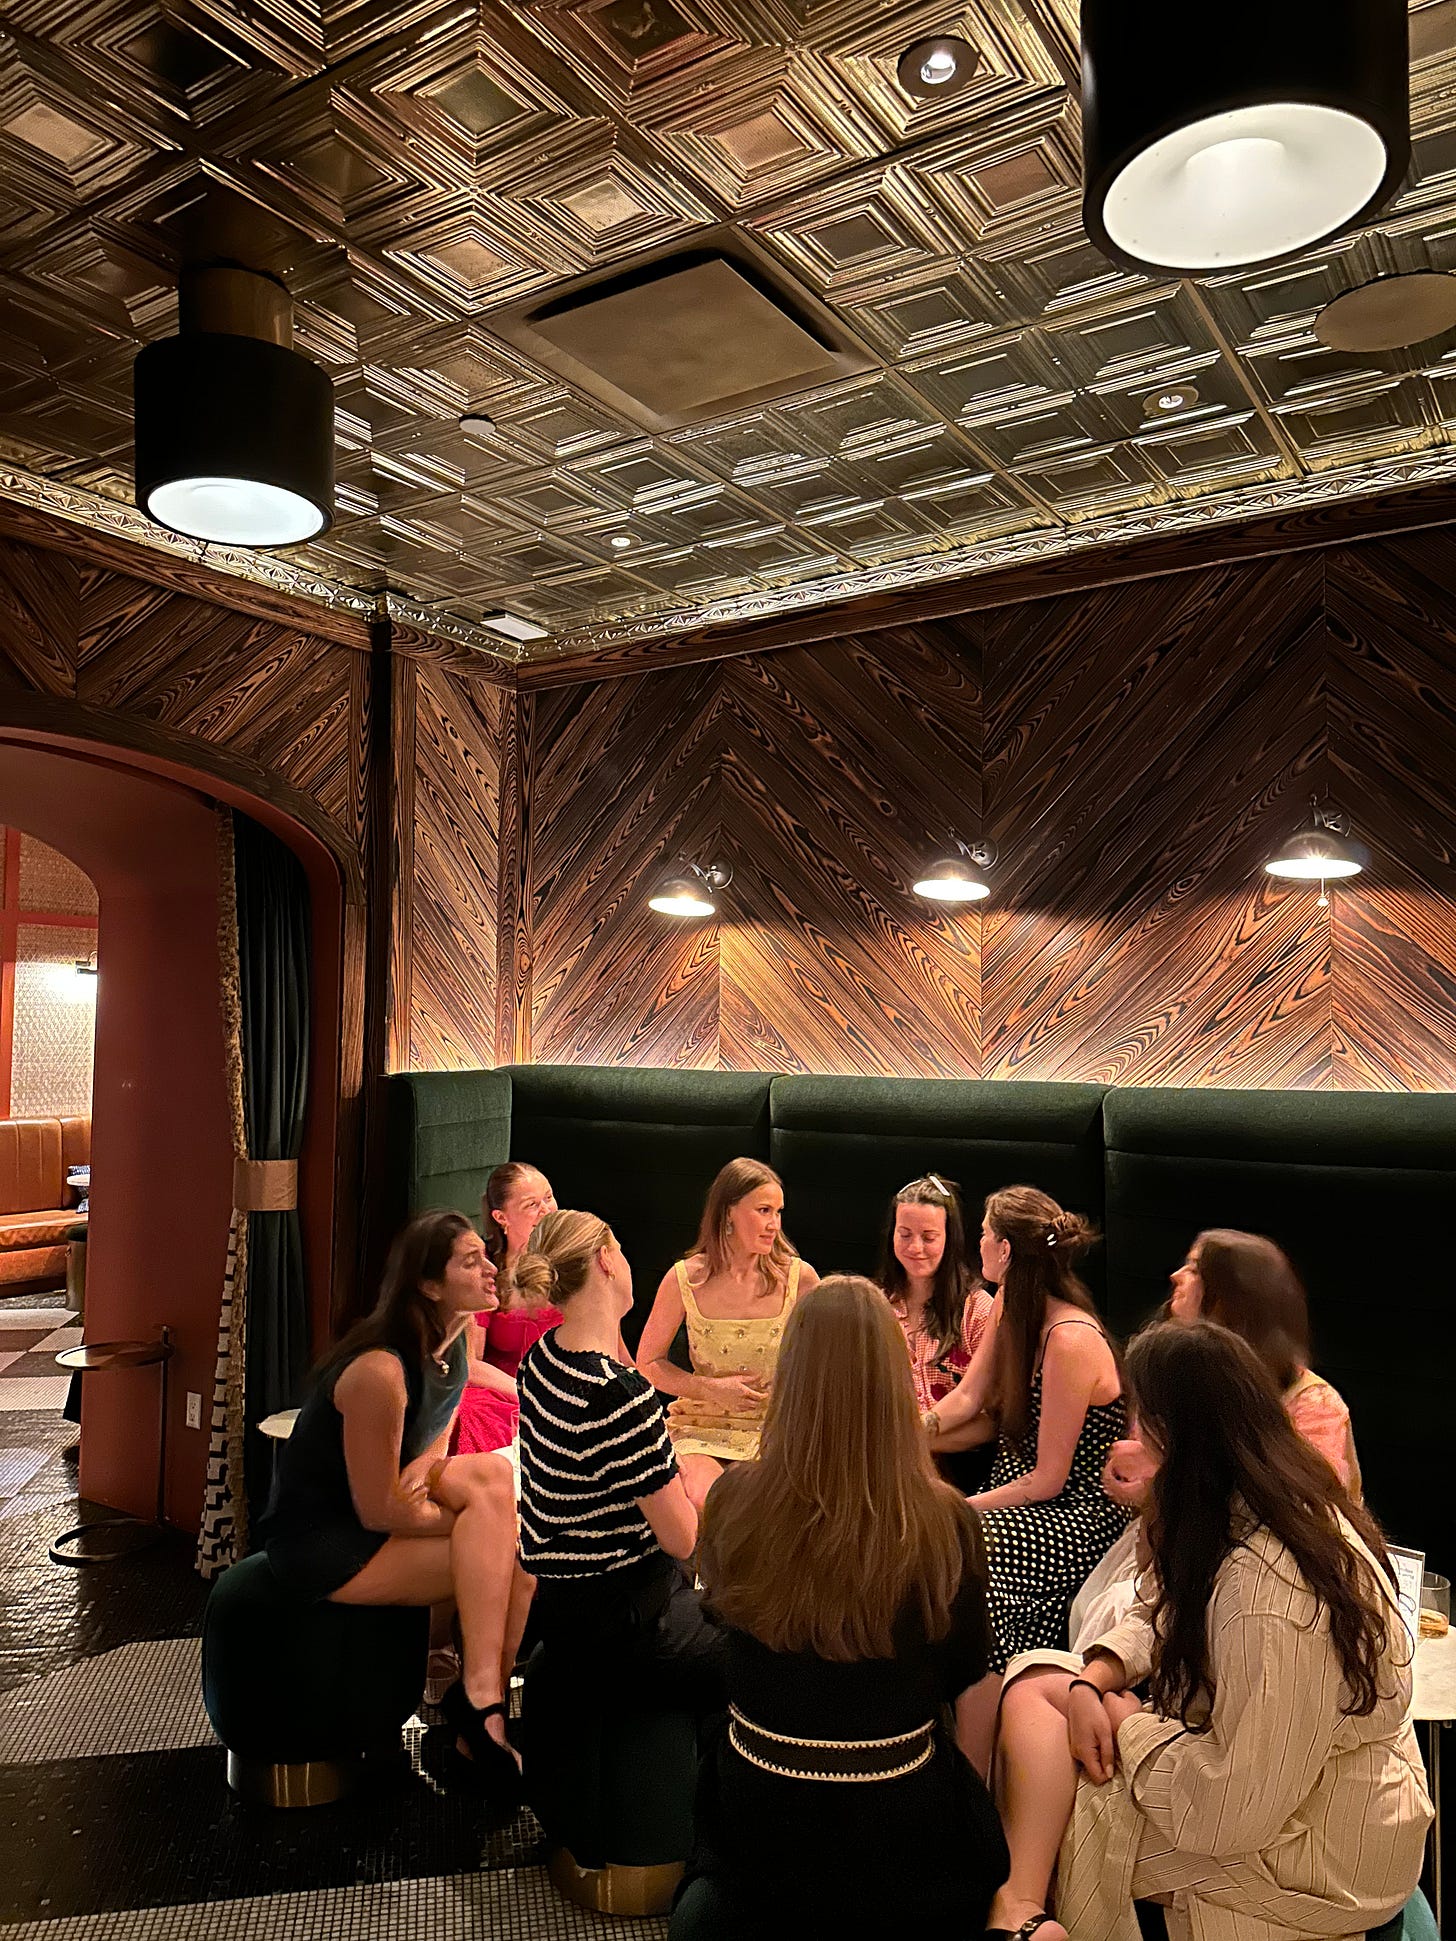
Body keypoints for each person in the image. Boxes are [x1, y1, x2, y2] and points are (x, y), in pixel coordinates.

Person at [991, 1321, 1431, 1941]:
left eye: (1141, 1425)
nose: (1131, 1440)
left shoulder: (1268, 1592)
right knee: (1036, 1679)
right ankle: (1020, 1908)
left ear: (1177, 1438)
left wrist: (1128, 1725)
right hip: (1285, 1790)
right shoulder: (1253, 1499)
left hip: (1322, 1852)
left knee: (1068, 1801)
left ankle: (1019, 1910)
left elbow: (1234, 1812)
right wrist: (1097, 1678)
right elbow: (1162, 1606)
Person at [672, 1276, 1009, 1941]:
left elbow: (723, 1641)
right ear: (894, 1383)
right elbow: (973, 1680)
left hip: (759, 1820)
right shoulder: (946, 1523)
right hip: (900, 1823)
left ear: (791, 1376)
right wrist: (968, 1800)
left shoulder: (734, 1501)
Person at [259, 1210, 532, 1801]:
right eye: (470, 1262)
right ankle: (481, 1708)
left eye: (485, 1257)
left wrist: (431, 1472)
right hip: (326, 1542)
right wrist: (473, 1525)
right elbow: (378, 1511)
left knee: (499, 1501)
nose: (490, 1269)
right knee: (506, 1547)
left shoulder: (452, 1348)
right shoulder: (380, 1371)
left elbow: (439, 1432)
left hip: (379, 1517)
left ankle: (481, 1701)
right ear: (428, 1285)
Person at [515, 1208, 723, 1706]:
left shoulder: (539, 1360)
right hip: (629, 1624)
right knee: (762, 1635)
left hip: (563, 1610)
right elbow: (681, 1538)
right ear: (606, 1260)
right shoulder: (619, 1396)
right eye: (623, 1251)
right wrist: (686, 1479)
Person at [926, 1186, 1127, 1679]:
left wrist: (958, 1509)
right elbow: (969, 1397)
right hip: (1017, 1489)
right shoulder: (1007, 1304)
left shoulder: (1070, 1339)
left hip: (1073, 1511)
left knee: (965, 1559)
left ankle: (993, 1690)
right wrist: (911, 1428)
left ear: (1005, 1249)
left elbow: (1048, 1479)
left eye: (983, 1234)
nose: (977, 1243)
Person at [636, 1158, 819, 1512]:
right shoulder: (683, 1279)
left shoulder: (801, 1279)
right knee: (706, 1500)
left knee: (764, 1504)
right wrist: (711, 1389)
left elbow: (825, 1363)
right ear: (728, 1213)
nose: (774, 1224)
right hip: (701, 1426)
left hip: (776, 1428)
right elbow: (648, 1363)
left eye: (778, 1212)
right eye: (763, 1211)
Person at [1170, 1228, 1360, 1493]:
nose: (1176, 1276)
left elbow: (1305, 1503)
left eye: (1193, 1270)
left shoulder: (1313, 1403)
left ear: (1229, 1298)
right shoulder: (1172, 1374)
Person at [451, 1162, 559, 1457]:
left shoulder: (571, 1258)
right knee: (468, 1412)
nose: (546, 1210)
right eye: (532, 1205)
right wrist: (526, 1394)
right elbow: (470, 1363)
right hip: (505, 1389)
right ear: (501, 1217)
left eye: (549, 1198)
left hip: (563, 1385)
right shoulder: (484, 1268)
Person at [881, 1173, 995, 1423]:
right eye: (904, 1234)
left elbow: (992, 1417)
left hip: (958, 1444)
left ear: (949, 1239)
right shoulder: (876, 1306)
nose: (915, 1247)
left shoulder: (978, 1310)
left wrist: (920, 1438)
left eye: (929, 1237)